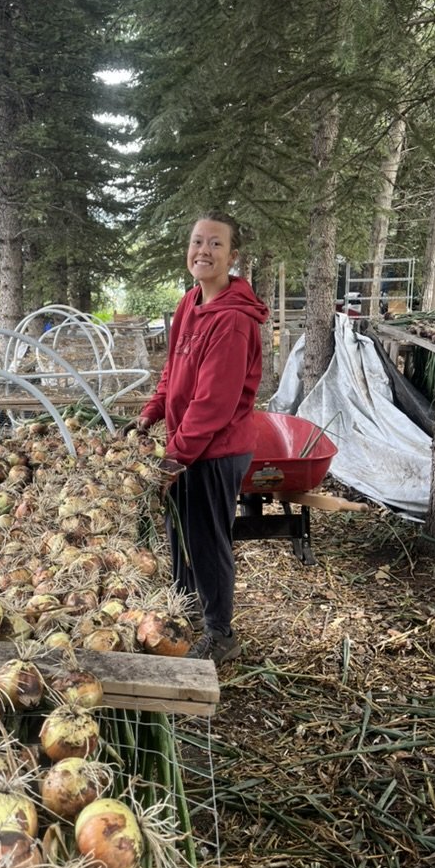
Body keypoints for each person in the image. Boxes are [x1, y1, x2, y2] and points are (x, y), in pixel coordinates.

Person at [136, 211, 269, 665]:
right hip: (190, 445)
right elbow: (173, 371)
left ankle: (220, 633)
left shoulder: (232, 321)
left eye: (215, 244)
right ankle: (187, 612)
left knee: (207, 540)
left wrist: (176, 457)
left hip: (218, 449)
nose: (203, 251)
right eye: (197, 242)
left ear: (233, 256)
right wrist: (153, 412)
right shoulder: (189, 302)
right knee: (180, 533)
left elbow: (214, 403)